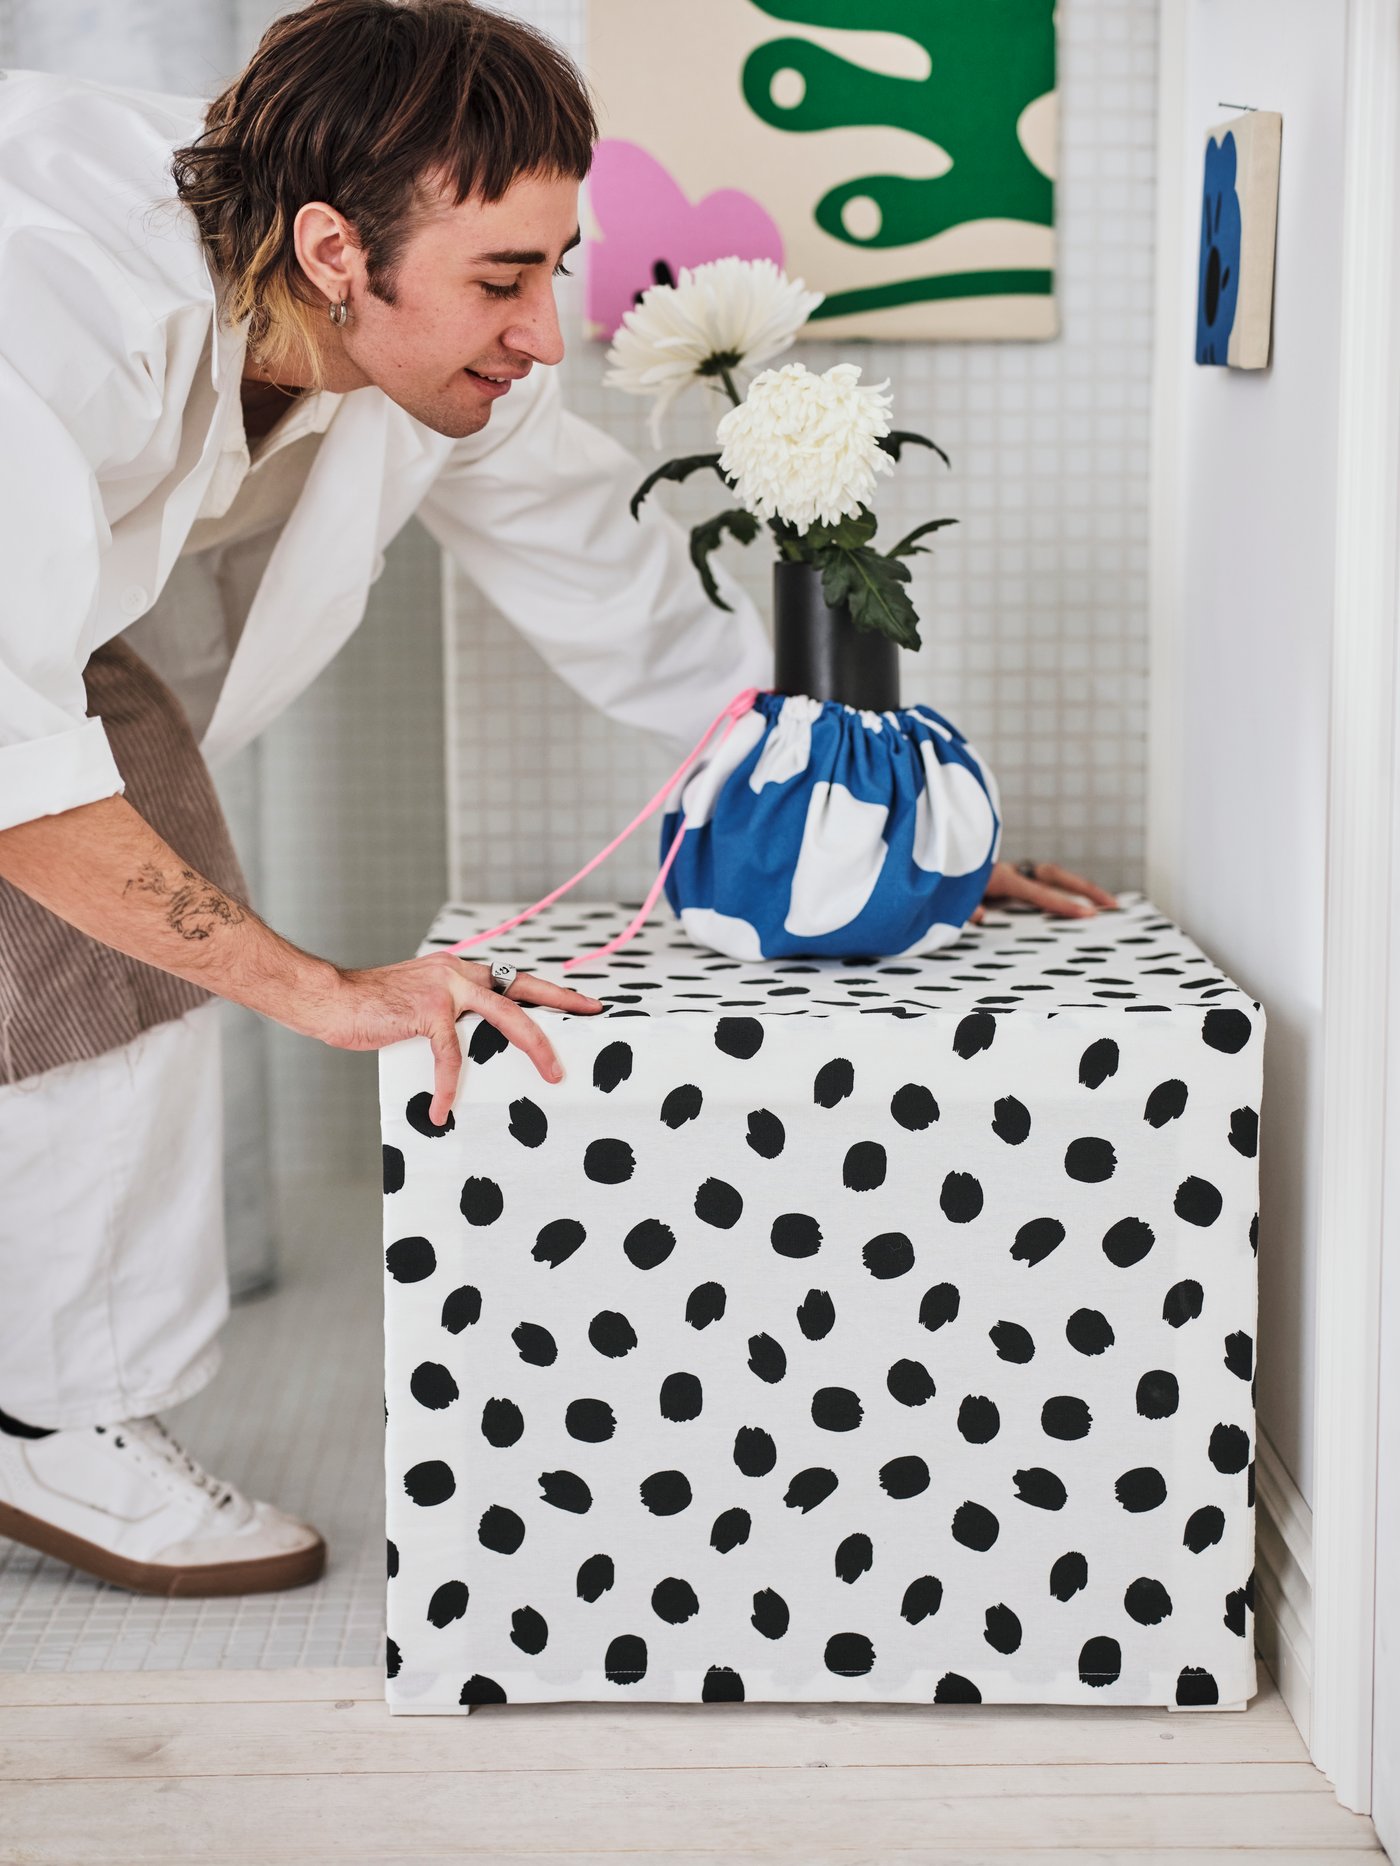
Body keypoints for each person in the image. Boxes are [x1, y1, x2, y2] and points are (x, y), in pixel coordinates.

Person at [0, 0, 1114, 1601]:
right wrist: (323, 989)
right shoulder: (52, 305)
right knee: (115, 886)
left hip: (45, 629)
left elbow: (625, 594)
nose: (543, 332)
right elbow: (14, 756)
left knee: (113, 849)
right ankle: (58, 1419)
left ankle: (58, 1410)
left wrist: (862, 815)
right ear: (334, 250)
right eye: (504, 279)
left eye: (554, 267)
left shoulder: (434, 356)